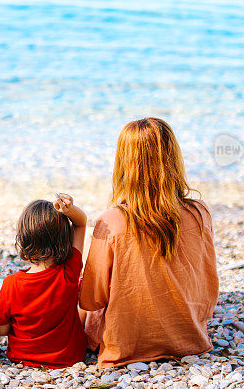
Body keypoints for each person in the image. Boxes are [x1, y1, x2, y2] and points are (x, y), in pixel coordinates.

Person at [79, 118, 219, 368]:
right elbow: (207, 285)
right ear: (173, 159)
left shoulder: (113, 222)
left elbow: (90, 300)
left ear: (124, 164)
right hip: (190, 341)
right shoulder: (199, 213)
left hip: (126, 345)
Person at [0, 194, 87, 368]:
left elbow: (2, 331)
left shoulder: (11, 284)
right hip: (70, 357)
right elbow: (81, 223)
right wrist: (70, 210)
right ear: (65, 239)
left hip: (21, 357)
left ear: (23, 238)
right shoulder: (69, 271)